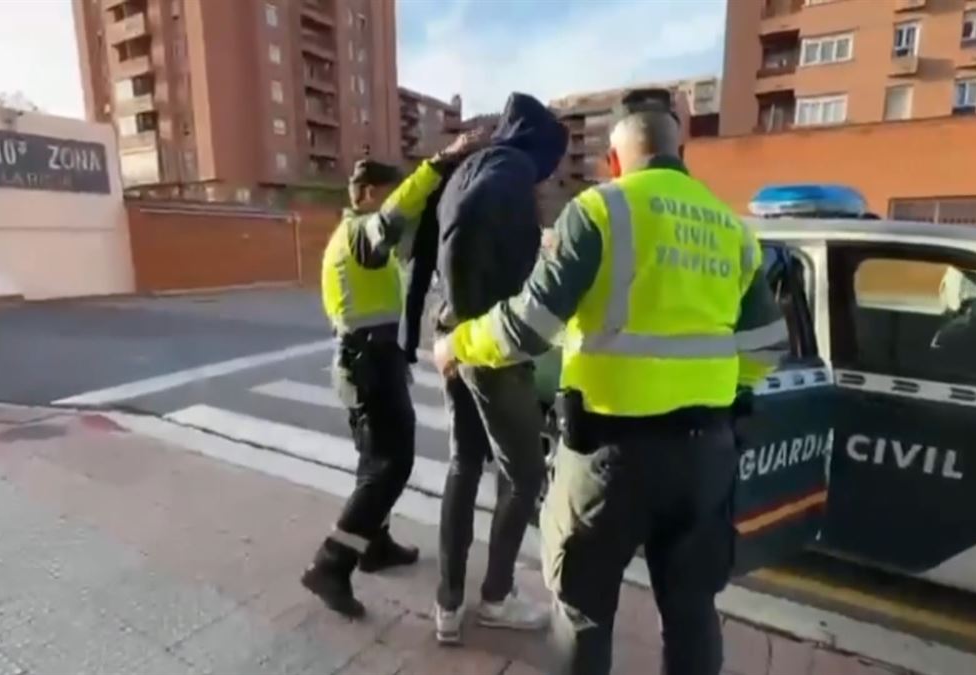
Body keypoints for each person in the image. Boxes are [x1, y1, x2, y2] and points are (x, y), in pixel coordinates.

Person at [432, 89, 789, 674]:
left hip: (610, 461)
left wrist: (457, 344)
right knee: (693, 611)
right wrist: (716, 393)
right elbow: (766, 350)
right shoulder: (731, 229)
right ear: (682, 153)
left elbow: (528, 328)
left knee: (583, 614)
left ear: (615, 161)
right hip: (706, 458)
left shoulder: (600, 211)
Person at [302, 132, 486, 619]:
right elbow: (393, 219)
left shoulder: (358, 240)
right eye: (387, 193)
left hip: (369, 360)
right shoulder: (361, 234)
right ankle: (331, 563)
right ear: (365, 194)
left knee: (374, 463)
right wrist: (438, 164)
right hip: (368, 363)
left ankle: (374, 545)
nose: (393, 206)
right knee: (390, 465)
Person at [431, 92, 568, 644]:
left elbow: (448, 239)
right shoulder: (510, 176)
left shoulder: (472, 167)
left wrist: (451, 324)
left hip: (451, 335)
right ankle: (494, 596)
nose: (547, 178)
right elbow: (517, 274)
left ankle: (447, 603)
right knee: (525, 473)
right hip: (489, 346)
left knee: (465, 464)